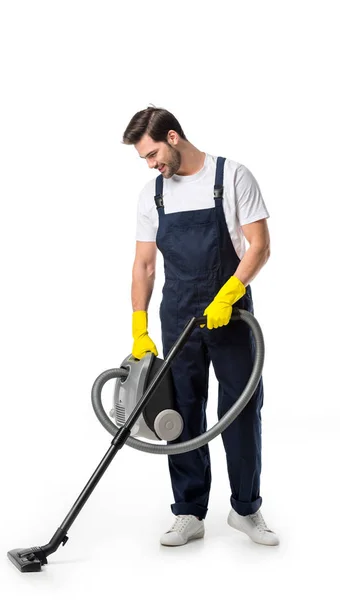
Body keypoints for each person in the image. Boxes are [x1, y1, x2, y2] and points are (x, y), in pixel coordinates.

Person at [122, 106, 279, 547]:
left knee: (242, 411)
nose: (152, 165)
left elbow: (259, 245)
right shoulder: (152, 195)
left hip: (230, 313)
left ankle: (247, 510)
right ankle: (189, 511)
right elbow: (144, 266)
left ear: (173, 137)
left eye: (152, 154)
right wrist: (139, 324)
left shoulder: (232, 177)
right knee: (182, 412)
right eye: (145, 160)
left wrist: (229, 294)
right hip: (178, 316)